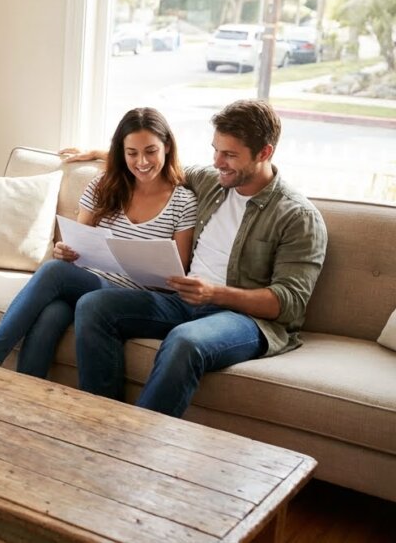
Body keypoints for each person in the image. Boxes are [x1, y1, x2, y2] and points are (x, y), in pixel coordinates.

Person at [70, 99, 327, 418]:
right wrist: (103, 153)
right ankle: (100, 421)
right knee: (94, 305)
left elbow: (288, 303)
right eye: (215, 150)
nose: (218, 161)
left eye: (230, 154)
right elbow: (151, 164)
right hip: (183, 302)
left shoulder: (297, 217)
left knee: (184, 341)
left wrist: (215, 293)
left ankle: (135, 447)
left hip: (244, 319)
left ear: (264, 153)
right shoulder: (211, 181)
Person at [0, 108, 197, 377]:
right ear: (121, 152)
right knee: (52, 311)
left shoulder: (183, 202)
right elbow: (78, 244)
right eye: (132, 153)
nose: (142, 161)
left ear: (167, 147)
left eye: (151, 151)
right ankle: (25, 396)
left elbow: (177, 272)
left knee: (53, 274)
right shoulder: (103, 186)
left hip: (135, 299)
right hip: (89, 282)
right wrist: (64, 251)